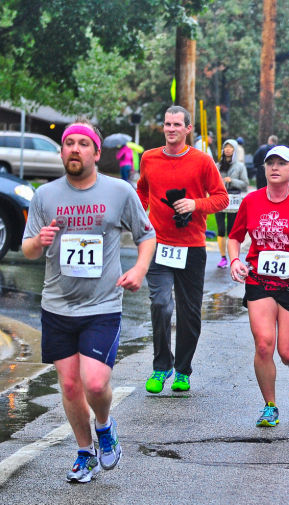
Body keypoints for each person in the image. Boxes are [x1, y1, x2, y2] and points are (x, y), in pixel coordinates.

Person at [21, 118, 156, 482]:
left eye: (83, 144)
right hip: (57, 306)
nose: (75, 149)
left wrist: (140, 270)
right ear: (62, 151)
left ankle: (105, 426)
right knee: (68, 386)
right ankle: (85, 454)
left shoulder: (118, 192)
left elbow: (147, 235)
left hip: (102, 307)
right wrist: (40, 241)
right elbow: (28, 248)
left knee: (95, 383)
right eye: (69, 143)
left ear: (97, 153)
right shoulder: (45, 196)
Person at [227, 146, 289, 427]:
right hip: (259, 280)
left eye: (281, 163)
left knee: (286, 352)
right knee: (263, 345)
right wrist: (235, 260)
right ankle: (270, 406)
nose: (274, 167)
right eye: (270, 162)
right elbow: (235, 237)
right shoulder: (252, 201)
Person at [137, 105, 229, 394]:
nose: (171, 129)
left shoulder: (202, 161)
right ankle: (161, 365)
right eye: (167, 124)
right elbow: (141, 190)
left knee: (189, 313)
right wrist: (139, 220)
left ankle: (182, 371)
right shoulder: (149, 158)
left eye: (177, 124)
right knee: (160, 304)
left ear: (189, 129)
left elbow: (222, 198)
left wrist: (195, 204)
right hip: (158, 244)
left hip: (191, 247)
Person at [215, 138, 249, 268]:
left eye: (231, 147)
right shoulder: (218, 165)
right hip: (219, 198)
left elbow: (245, 184)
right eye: (226, 147)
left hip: (234, 201)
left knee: (231, 229)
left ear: (235, 150)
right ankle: (222, 257)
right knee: (220, 229)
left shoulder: (240, 166)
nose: (228, 149)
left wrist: (232, 180)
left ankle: (232, 256)